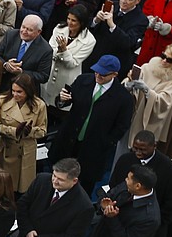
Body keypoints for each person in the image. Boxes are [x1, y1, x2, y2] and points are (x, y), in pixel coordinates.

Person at [51, 54, 134, 193]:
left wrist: (105, 142)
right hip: (68, 141)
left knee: (84, 188)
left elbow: (122, 126)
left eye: (103, 74)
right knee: (57, 179)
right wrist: (61, 99)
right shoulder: (83, 80)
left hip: (94, 149)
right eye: (96, 71)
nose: (98, 76)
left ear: (114, 74)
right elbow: (64, 102)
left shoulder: (123, 98)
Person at [0, 74, 47, 194]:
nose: (15, 94)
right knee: (2, 188)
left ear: (28, 91)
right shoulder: (1, 101)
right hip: (5, 148)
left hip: (25, 151)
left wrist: (30, 132)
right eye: (13, 91)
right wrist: (14, 131)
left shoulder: (39, 105)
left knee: (22, 190)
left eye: (19, 92)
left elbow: (43, 130)